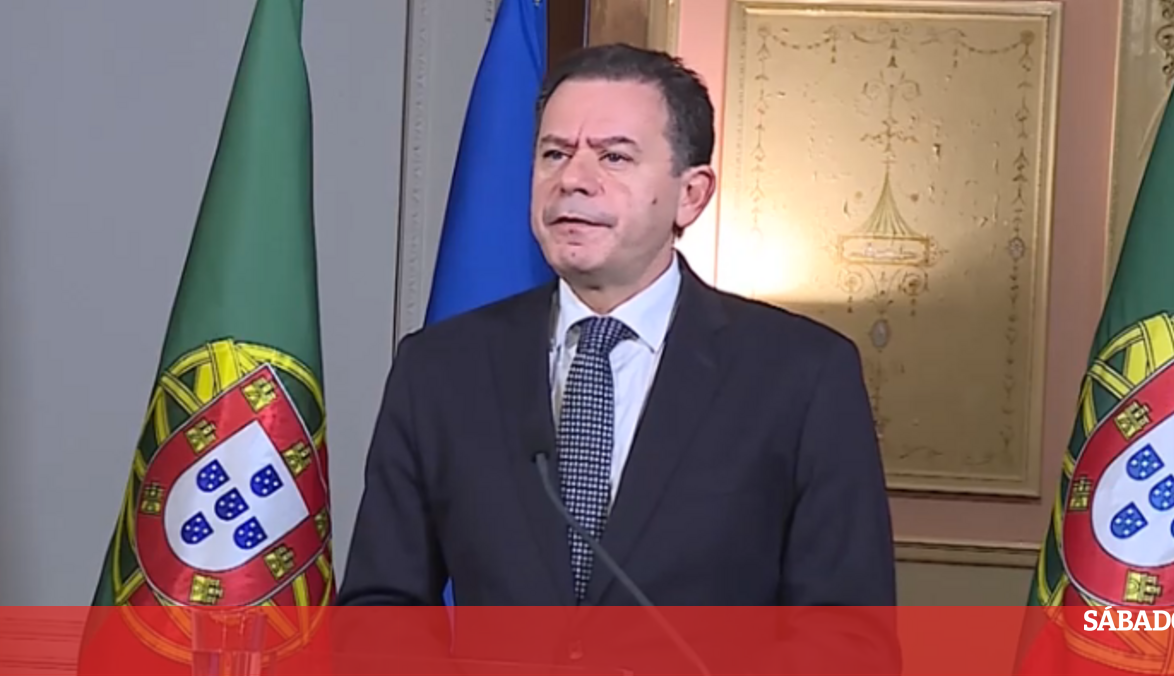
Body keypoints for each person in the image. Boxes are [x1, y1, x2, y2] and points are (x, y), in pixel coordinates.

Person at [337, 43, 898, 673]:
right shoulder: (440, 369)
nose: (573, 180)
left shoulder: (802, 375)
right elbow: (379, 614)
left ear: (691, 195)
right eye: (554, 153)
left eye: (614, 156)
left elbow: (849, 639)